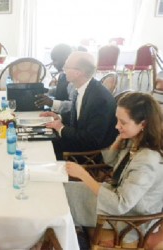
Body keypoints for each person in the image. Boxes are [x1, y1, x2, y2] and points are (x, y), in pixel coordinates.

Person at [64, 92, 163, 248]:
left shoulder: (147, 161)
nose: (117, 126)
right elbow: (110, 161)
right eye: (117, 120)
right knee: (63, 190)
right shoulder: (137, 140)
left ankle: (63, 240)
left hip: (129, 220)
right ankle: (65, 237)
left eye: (122, 122)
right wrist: (120, 138)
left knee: (64, 203)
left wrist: (84, 175)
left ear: (143, 124)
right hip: (116, 197)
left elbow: (120, 205)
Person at [41, 51, 118, 160]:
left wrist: (61, 128)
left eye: (67, 66)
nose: (64, 69)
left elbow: (92, 139)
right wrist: (59, 117)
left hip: (90, 153)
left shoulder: (99, 99)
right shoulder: (84, 88)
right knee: (43, 136)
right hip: (80, 140)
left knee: (45, 145)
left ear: (78, 73)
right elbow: (78, 115)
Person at [35, 43, 74, 114]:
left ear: (65, 59)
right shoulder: (63, 74)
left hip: (66, 119)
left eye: (55, 60)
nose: (53, 63)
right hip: (58, 114)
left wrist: (51, 103)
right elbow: (62, 91)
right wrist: (47, 91)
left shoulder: (73, 79)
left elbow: (74, 106)